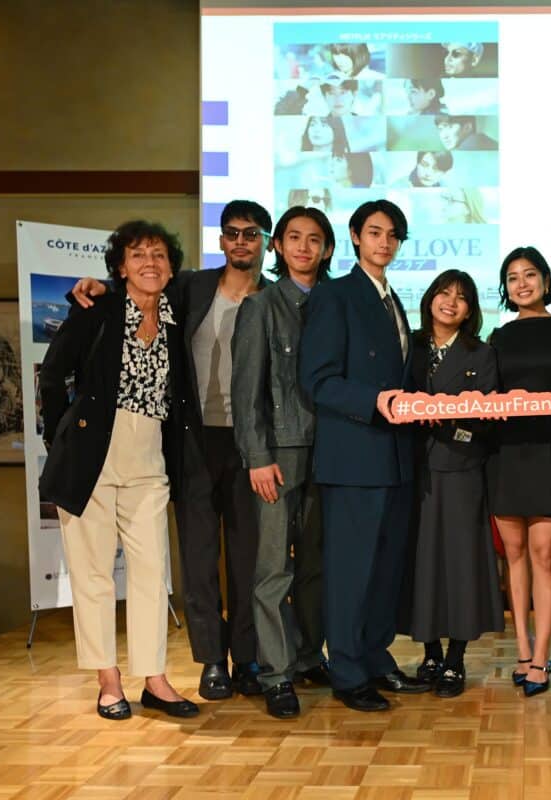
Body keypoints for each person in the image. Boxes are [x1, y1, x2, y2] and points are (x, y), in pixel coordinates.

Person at [71, 200, 272, 701]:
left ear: (265, 241)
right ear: (221, 241)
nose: (241, 241)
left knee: (248, 559)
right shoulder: (191, 287)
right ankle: (212, 661)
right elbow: (137, 289)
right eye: (232, 232)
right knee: (198, 558)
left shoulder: (276, 298)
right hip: (191, 441)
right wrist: (99, 286)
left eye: (251, 233)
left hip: (252, 444)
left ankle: (247, 658)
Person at [38, 220, 197, 720]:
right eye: (138, 254)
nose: (150, 263)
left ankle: (155, 679)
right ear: (121, 267)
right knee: (93, 576)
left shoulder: (177, 316)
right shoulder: (98, 309)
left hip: (150, 459)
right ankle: (109, 681)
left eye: (159, 255)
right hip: (91, 457)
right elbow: (52, 372)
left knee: (152, 573)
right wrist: (58, 439)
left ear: (171, 267)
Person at [299, 199, 431, 712]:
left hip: (395, 457)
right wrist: (375, 401)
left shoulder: (392, 299)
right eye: (375, 232)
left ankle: (376, 659)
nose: (385, 242)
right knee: (351, 571)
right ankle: (348, 672)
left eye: (393, 235)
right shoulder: (335, 295)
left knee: (384, 570)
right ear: (355, 236)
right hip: (354, 456)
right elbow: (318, 380)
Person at [230, 206, 335, 719]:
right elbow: (245, 390)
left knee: (316, 565)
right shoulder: (261, 306)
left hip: (331, 453)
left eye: (314, 239)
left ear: (327, 249)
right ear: (277, 246)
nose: (303, 247)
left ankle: (309, 656)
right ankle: (275, 674)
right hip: (277, 456)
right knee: (274, 568)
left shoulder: (335, 303)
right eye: (294, 237)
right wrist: (257, 456)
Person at [399, 270, 503, 698]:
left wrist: (450, 424)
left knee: (461, 563)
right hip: (413, 470)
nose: (450, 302)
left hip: (461, 468)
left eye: (461, 297)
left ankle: (456, 658)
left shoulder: (482, 352)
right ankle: (429, 653)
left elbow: (488, 419)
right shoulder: (410, 345)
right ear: (429, 298)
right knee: (421, 562)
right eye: (444, 293)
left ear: (470, 309)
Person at [486, 247, 551, 697]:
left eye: (530, 275)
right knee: (514, 554)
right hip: (505, 453)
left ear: (546, 280)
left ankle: (542, 656)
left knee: (544, 554)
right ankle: (522, 650)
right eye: (513, 277)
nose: (522, 284)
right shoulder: (497, 336)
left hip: (549, 452)